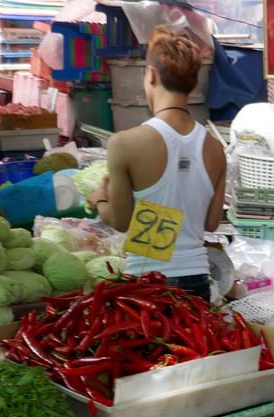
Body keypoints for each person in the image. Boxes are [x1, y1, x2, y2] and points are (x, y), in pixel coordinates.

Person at [86, 25, 225, 301]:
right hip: (198, 284)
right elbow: (211, 223)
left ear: (150, 75)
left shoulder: (125, 143)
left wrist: (99, 199)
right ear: (194, 83)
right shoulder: (215, 147)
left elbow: (121, 221)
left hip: (149, 286)